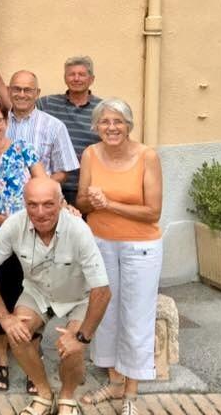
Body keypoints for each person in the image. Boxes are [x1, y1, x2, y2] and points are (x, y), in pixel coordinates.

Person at [0, 178, 112, 415]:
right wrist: (4, 317)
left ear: (61, 203)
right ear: (24, 204)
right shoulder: (14, 224)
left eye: (48, 204)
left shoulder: (79, 230)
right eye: (33, 204)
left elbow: (103, 291)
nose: (40, 212)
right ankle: (44, 393)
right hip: (37, 293)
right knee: (17, 333)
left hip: (78, 295)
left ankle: (67, 397)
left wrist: (82, 338)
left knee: (73, 348)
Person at [77, 98, 163, 415]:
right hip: (100, 243)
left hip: (141, 246)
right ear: (96, 127)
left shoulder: (146, 156)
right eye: (105, 122)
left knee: (137, 316)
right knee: (106, 314)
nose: (111, 127)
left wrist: (109, 204)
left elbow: (153, 211)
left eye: (118, 121)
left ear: (128, 125)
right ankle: (114, 383)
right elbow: (83, 204)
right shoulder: (90, 154)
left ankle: (131, 392)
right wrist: (90, 200)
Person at [0, 98, 47, 394]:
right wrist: (2, 219)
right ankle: (1, 359)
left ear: (6, 121)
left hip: (30, 234)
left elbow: (44, 186)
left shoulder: (24, 150)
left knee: (30, 298)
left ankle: (30, 362)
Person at [0, 63, 79, 185]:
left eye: (27, 90)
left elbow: (63, 171)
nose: (21, 94)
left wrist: (38, 188)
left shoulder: (55, 126)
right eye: (16, 89)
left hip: (38, 200)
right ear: (9, 91)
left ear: (37, 93)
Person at [37, 57, 103, 205]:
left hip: (87, 190)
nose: (76, 78)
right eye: (71, 74)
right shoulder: (47, 104)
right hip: (53, 186)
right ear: (65, 78)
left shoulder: (102, 109)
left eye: (81, 74)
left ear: (91, 79)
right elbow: (18, 108)